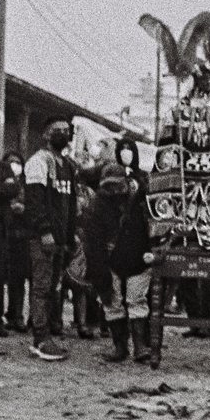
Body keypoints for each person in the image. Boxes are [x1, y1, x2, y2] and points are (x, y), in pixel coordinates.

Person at [89, 134, 153, 363]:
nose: (114, 192)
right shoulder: (97, 205)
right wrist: (99, 274)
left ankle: (139, 346)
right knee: (112, 301)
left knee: (137, 300)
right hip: (109, 258)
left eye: (119, 187)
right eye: (109, 188)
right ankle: (119, 347)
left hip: (137, 256)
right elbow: (93, 241)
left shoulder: (140, 200)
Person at [23, 120, 80, 362]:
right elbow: (35, 201)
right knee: (42, 287)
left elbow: (68, 205)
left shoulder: (66, 165)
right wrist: (44, 231)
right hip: (42, 237)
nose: (64, 134)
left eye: (67, 131)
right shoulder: (39, 161)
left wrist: (69, 236)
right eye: (58, 131)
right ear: (46, 134)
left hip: (60, 238)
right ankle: (40, 339)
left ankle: (47, 334)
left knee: (54, 288)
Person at [0, 150, 30, 338]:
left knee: (11, 277)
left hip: (17, 233)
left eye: (18, 162)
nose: (15, 165)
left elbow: (9, 190)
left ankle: (11, 315)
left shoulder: (24, 182)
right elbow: (0, 190)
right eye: (11, 162)